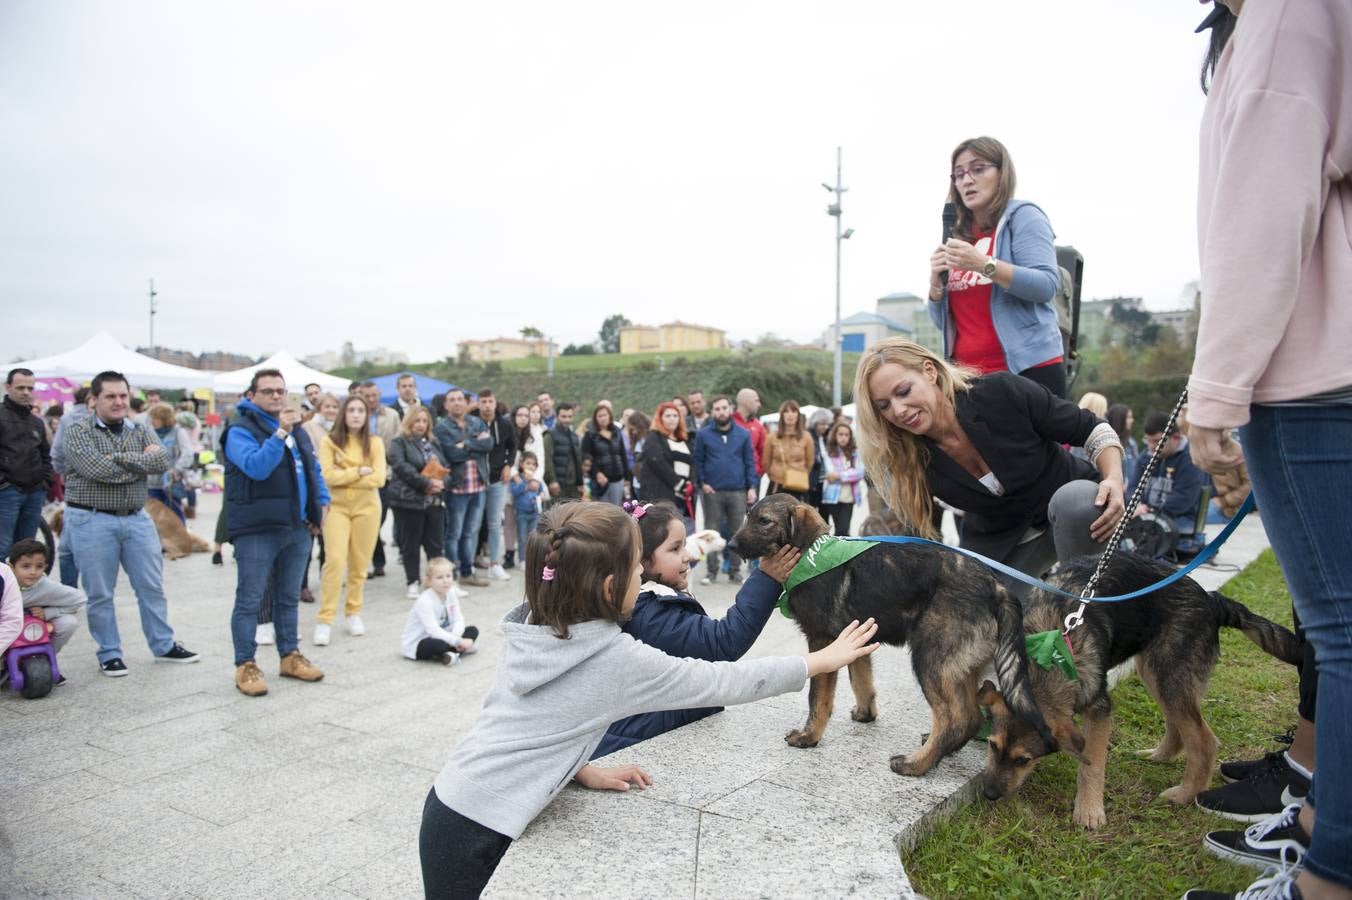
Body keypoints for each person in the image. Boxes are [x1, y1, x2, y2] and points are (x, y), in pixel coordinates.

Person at [417, 500, 880, 897]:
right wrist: (819, 660)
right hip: (481, 831)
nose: (644, 579)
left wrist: (581, 769)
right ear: (609, 589)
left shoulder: (534, 623)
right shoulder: (612, 657)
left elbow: (529, 721)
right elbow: (720, 681)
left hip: (449, 802)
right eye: (637, 569)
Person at [1181, 3, 1352, 898]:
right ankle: (1323, 823)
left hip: (1314, 371)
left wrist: (1216, 393)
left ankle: (1325, 879)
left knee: (1345, 634)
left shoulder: (1288, 13)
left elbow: (1262, 210)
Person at [855, 339, 1125, 589]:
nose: (898, 410)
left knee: (1077, 502)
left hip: (1073, 514)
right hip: (1003, 541)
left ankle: (1089, 607)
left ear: (929, 371)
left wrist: (1113, 478)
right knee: (986, 621)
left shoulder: (1000, 391)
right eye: (884, 405)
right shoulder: (909, 459)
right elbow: (922, 535)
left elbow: (1092, 429)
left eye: (903, 391)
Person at [594, 502, 801, 757]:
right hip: (641, 745)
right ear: (641, 560)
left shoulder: (651, 600)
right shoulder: (650, 612)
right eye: (674, 549)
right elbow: (723, 641)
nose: (687, 556)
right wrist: (767, 579)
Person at [61, 370, 199, 676]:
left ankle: (163, 645)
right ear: (93, 400)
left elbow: (161, 462)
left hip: (137, 518)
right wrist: (137, 462)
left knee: (151, 586)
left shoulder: (139, 427)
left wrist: (117, 459)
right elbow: (94, 468)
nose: (119, 402)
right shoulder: (77, 429)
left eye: (123, 395)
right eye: (111, 396)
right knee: (100, 592)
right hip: (92, 518)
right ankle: (109, 653)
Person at [927, 136, 1067, 399]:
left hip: (1028, 373)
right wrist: (935, 286)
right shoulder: (958, 235)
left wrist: (983, 265)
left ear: (1001, 173)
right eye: (958, 175)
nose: (967, 180)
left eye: (978, 169)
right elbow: (942, 322)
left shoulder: (1024, 217)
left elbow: (1047, 285)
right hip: (969, 382)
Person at [222, 369, 327, 696]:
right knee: (250, 599)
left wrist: (320, 505)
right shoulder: (239, 430)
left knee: (288, 597)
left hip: (296, 527)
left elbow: (313, 468)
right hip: (256, 529)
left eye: (281, 390)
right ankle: (246, 664)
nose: (276, 396)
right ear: (251, 396)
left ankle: (289, 655)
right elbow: (256, 466)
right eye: (268, 391)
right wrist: (280, 433)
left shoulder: (299, 431)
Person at [315, 394, 386, 646]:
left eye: (361, 410)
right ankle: (325, 619)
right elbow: (326, 476)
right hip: (337, 507)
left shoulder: (375, 443)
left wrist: (342, 472)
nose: (356, 414)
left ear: (367, 416)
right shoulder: (329, 441)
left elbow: (379, 478)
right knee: (333, 560)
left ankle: (353, 612)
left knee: (359, 564)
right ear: (343, 413)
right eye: (352, 410)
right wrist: (357, 471)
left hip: (368, 508)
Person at [692, 395, 758, 585]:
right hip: (713, 491)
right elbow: (698, 461)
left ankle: (735, 571)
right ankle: (711, 572)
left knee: (737, 532)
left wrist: (751, 486)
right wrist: (702, 483)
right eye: (717, 409)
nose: (720, 412)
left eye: (723, 408)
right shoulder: (704, 434)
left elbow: (749, 462)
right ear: (713, 412)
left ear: (730, 409)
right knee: (711, 531)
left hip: (737, 491)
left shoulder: (743, 434)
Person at [386, 405, 449, 598]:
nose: (421, 425)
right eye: (417, 420)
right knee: (410, 544)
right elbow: (401, 467)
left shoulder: (433, 442)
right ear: (409, 421)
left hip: (434, 501)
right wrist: (426, 483)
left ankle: (436, 581)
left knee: (435, 545)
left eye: (424, 421)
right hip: (409, 500)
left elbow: (445, 466)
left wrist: (441, 482)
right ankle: (412, 581)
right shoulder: (399, 442)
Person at [435, 389, 491, 588]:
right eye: (452, 400)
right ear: (446, 405)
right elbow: (451, 455)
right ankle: (452, 574)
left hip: (478, 486)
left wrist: (465, 444)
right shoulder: (441, 428)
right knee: (454, 533)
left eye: (460, 399)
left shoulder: (476, 422)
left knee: (470, 532)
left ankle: (467, 572)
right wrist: (476, 444)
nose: (457, 403)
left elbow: (489, 444)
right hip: (457, 488)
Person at [0, 368, 54, 561]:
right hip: (7, 492)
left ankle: (21, 591)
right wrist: (3, 484)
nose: (26, 392)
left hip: (34, 492)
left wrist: (45, 482)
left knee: (26, 551)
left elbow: (46, 455)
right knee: (3, 548)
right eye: (20, 387)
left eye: (30, 388)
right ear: (8, 387)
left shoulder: (36, 422)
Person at [1128, 411, 1209, 535]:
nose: (1151, 447)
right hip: (1144, 514)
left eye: (1156, 441)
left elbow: (1184, 498)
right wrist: (1137, 506)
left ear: (1175, 438)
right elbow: (1133, 487)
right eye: (1147, 441)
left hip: (1181, 519)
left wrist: (1150, 510)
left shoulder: (1190, 458)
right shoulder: (1145, 457)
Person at [8, 539, 84, 660]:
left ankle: (46, 658)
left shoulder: (46, 586)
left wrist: (48, 612)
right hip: (6, 622)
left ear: (45, 567)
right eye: (26, 566)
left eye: (39, 566)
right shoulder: (4, 581)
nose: (33, 572)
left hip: (33, 622)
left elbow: (80, 599)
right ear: (11, 567)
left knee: (69, 623)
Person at [400, 557, 478, 665]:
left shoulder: (451, 592)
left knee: (473, 630)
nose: (445, 581)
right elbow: (433, 631)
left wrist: (456, 636)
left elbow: (458, 619)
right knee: (438, 645)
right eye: (439, 577)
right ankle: (458, 650)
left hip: (446, 634)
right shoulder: (424, 600)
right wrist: (458, 641)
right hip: (421, 641)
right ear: (429, 581)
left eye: (448, 576)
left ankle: (452, 653)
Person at [473, 388, 515, 581]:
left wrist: (509, 465)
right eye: (483, 401)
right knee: (473, 523)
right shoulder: (472, 422)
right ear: (478, 403)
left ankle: (494, 564)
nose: (487, 405)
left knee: (494, 523)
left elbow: (513, 447)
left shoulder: (504, 424)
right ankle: (468, 563)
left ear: (495, 402)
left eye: (490, 401)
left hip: (498, 479)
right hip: (476, 479)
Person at [360, 381, 400, 578]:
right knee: (368, 520)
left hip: (387, 472)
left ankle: (377, 558)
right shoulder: (357, 415)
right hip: (362, 474)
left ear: (379, 394)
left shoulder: (391, 415)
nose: (371, 399)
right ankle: (375, 561)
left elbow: (398, 442)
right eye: (366, 396)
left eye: (374, 395)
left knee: (379, 518)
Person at [637, 402, 696, 527]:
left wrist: (689, 483)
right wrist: (679, 483)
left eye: (675, 416)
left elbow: (692, 463)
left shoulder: (684, 440)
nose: (672, 419)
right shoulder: (654, 436)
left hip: (682, 495)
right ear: (660, 418)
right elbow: (657, 461)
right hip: (660, 494)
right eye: (668, 416)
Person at [144, 403, 194, 523]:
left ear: (164, 419)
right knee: (153, 517)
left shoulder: (178, 432)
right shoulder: (149, 432)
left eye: (156, 418)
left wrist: (176, 469)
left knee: (175, 516)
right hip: (151, 484)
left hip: (171, 483)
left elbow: (187, 454)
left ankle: (182, 540)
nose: (153, 421)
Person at [762, 400, 815, 501]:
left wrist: (798, 475)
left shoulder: (806, 437)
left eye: (794, 411)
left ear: (798, 415)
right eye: (786, 411)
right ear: (782, 415)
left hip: (798, 484)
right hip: (777, 484)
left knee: (797, 515)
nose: (790, 415)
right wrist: (776, 475)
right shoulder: (772, 437)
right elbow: (766, 463)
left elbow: (810, 462)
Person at [819, 422, 864, 537]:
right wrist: (849, 474)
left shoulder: (855, 453)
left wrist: (839, 476)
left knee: (843, 530)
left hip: (849, 498)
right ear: (835, 435)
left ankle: (843, 552)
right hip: (833, 497)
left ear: (850, 436)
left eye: (846, 435)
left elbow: (859, 473)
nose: (843, 437)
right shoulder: (829, 453)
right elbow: (830, 474)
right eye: (841, 434)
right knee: (840, 530)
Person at [580, 404, 628, 506]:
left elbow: (622, 454)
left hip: (618, 478)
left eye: (605, 415)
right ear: (595, 418)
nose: (603, 418)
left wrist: (627, 475)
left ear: (610, 416)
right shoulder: (590, 435)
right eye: (600, 416)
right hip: (601, 480)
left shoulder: (616, 432)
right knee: (603, 510)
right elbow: (586, 457)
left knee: (617, 509)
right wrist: (597, 473)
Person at [509, 451, 548, 559]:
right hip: (521, 513)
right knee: (522, 538)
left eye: (533, 464)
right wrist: (524, 483)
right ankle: (522, 559)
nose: (531, 466)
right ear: (521, 464)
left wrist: (542, 495)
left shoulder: (536, 479)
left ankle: (531, 559)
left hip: (535, 513)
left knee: (533, 538)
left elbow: (542, 491)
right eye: (528, 463)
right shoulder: (518, 479)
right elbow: (514, 492)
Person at [549, 402, 583, 501]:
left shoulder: (574, 436)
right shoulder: (550, 435)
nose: (567, 420)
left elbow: (578, 460)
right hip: (558, 485)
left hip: (573, 486)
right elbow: (548, 459)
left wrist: (580, 483)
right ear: (557, 417)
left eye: (570, 416)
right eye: (563, 416)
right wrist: (552, 480)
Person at [732, 388, 766, 479]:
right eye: (756, 400)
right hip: (734, 477)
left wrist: (759, 471)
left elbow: (763, 451)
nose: (759, 404)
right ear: (746, 402)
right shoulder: (729, 423)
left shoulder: (758, 425)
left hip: (754, 477)